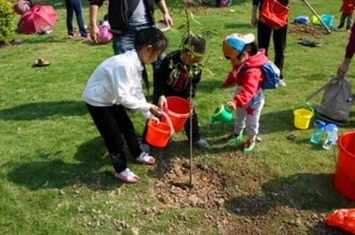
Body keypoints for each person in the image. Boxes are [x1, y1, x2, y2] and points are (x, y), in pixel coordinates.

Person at [82, 28, 168, 184]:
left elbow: (136, 91)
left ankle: (137, 153)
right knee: (114, 137)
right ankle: (120, 169)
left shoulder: (136, 63)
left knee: (127, 127)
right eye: (157, 54)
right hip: (97, 101)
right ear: (147, 49)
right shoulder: (124, 65)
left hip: (110, 98)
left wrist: (149, 115)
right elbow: (124, 98)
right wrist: (148, 106)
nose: (156, 59)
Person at [141, 35, 209, 153]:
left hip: (182, 94)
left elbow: (194, 83)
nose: (195, 62)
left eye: (198, 60)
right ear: (185, 52)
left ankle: (195, 138)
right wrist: (161, 95)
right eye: (193, 59)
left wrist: (190, 96)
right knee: (156, 114)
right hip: (165, 93)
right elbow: (159, 78)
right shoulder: (170, 60)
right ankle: (146, 142)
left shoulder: (196, 67)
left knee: (191, 115)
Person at [221, 33, 268, 153]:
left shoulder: (253, 71)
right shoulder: (240, 64)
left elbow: (249, 91)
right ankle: (237, 133)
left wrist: (236, 101)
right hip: (241, 95)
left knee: (251, 121)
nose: (232, 63)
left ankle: (251, 139)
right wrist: (228, 82)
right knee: (240, 116)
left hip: (253, 99)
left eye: (233, 60)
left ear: (244, 55)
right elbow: (234, 74)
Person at [88, 0, 173, 55]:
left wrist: (165, 12)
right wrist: (93, 25)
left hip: (147, 27)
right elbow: (95, 1)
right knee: (125, 68)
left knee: (160, 61)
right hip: (123, 32)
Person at [251, 0, 288, 87]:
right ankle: (262, 74)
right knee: (262, 48)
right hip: (265, 13)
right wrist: (253, 15)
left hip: (280, 15)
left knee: (279, 47)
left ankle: (278, 76)